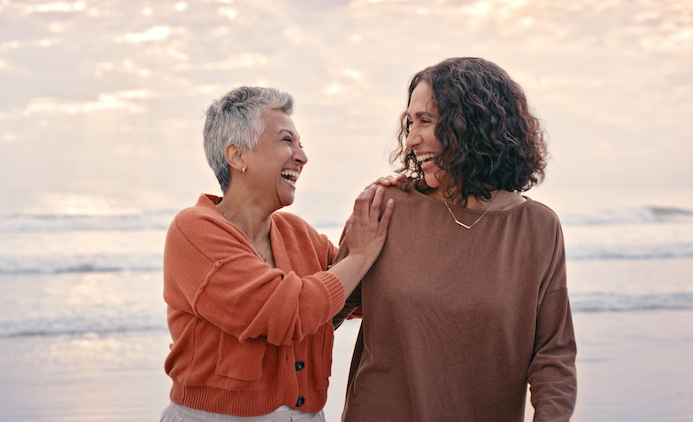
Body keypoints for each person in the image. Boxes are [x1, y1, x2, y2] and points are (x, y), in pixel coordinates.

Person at [334, 57, 577, 421]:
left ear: (474, 125)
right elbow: (324, 313)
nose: (411, 140)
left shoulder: (538, 228)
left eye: (426, 121)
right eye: (410, 122)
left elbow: (553, 355)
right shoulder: (386, 207)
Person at [161, 86, 394, 421]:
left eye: (301, 144)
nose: (302, 157)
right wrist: (358, 256)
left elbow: (365, 293)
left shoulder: (298, 233)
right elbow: (286, 312)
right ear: (237, 156)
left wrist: (392, 204)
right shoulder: (194, 230)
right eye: (287, 141)